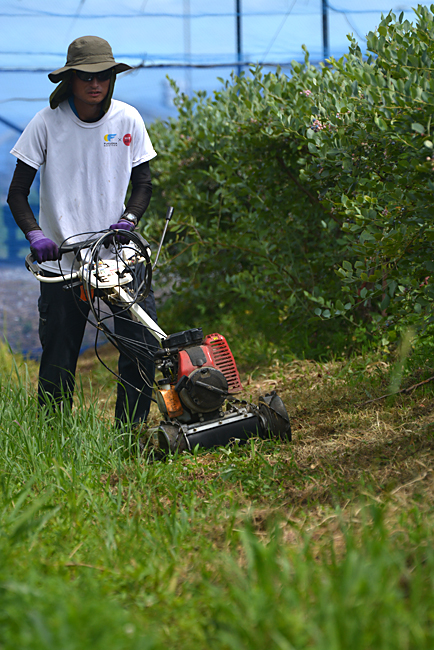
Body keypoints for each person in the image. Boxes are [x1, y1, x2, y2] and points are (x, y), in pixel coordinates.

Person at [7, 35, 158, 429]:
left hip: (119, 255)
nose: (96, 84)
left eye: (104, 76)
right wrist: (37, 235)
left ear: (112, 78)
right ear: (70, 79)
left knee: (140, 347)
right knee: (59, 354)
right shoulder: (46, 124)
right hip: (65, 263)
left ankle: (131, 434)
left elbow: (144, 184)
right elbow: (17, 194)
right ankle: (54, 438)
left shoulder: (128, 119)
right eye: (87, 76)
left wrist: (129, 220)